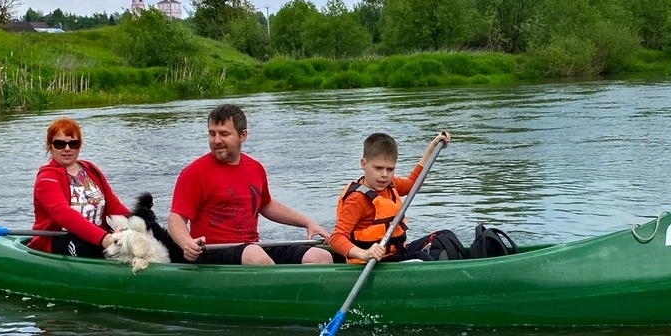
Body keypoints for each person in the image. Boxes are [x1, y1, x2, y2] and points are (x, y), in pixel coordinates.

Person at [168, 103, 334, 265]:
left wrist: (308, 223)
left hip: (250, 248)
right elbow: (176, 218)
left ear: (243, 135)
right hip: (212, 252)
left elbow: (266, 205)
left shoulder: (255, 168)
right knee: (254, 254)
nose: (216, 140)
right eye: (212, 134)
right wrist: (187, 243)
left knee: (320, 257)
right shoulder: (195, 172)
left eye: (224, 134)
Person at [329, 131, 451, 263]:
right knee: (422, 259)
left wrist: (433, 147)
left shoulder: (390, 184)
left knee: (443, 237)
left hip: (396, 252)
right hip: (372, 262)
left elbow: (412, 184)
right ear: (364, 164)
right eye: (378, 168)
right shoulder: (357, 199)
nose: (384, 175)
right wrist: (364, 254)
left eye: (390, 169)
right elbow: (336, 238)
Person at [29, 117, 129, 257]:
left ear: (80, 145)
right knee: (86, 247)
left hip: (99, 237)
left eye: (73, 143)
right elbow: (64, 215)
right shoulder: (47, 178)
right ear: (50, 146)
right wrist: (104, 238)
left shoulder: (91, 170)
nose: (67, 149)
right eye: (60, 144)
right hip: (59, 239)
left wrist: (140, 224)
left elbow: (115, 208)